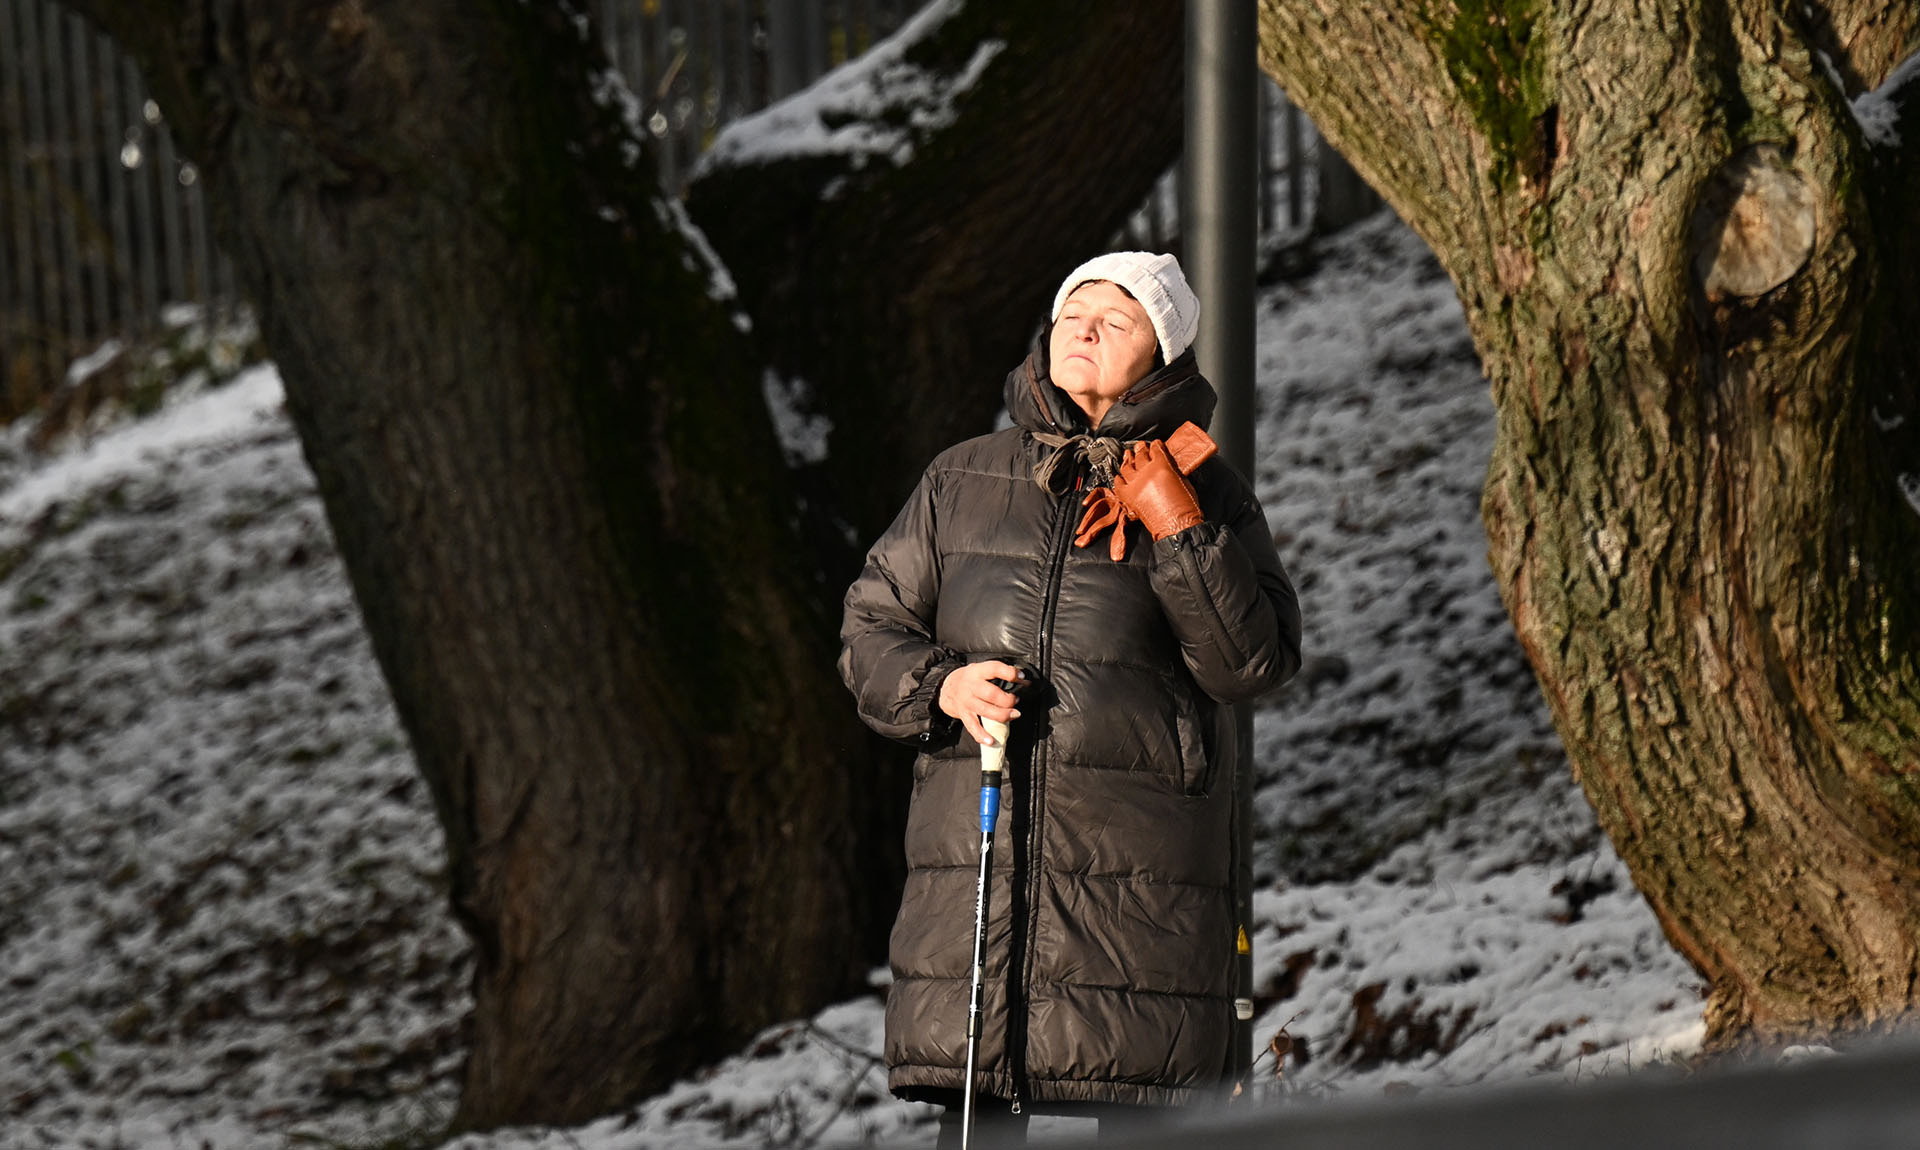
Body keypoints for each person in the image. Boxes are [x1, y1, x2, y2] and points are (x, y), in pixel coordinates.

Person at [838, 251, 1302, 1146]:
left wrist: (1178, 522)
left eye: (1118, 319)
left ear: (1162, 357)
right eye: (1074, 310)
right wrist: (944, 685)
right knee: (979, 1124)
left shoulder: (1208, 491)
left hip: (1142, 897)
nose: (1086, 326)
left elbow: (1251, 664)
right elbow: (870, 631)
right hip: (982, 878)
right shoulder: (961, 480)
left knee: (1140, 1112)